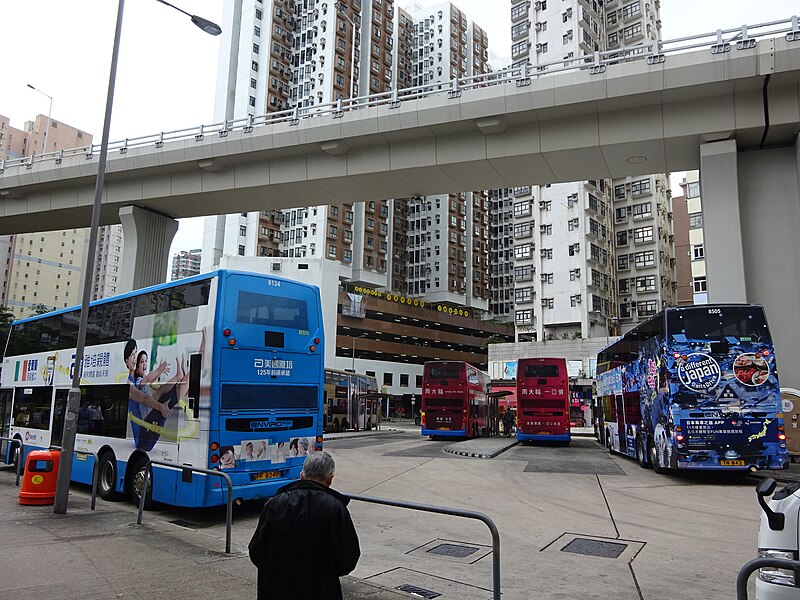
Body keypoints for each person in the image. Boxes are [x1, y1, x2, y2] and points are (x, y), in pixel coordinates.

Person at [249, 451, 360, 599]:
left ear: (302, 475)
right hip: (320, 590)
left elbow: (257, 551)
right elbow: (348, 558)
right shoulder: (335, 509)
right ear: (330, 479)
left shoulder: (273, 505)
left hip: (276, 589)